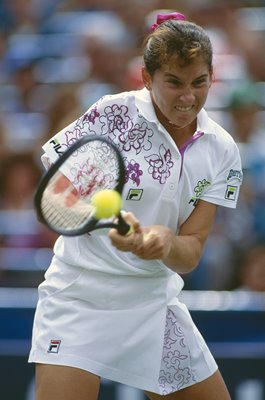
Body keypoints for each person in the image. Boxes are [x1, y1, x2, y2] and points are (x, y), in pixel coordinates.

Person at [28, 11, 243, 400]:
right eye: (174, 83)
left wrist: (164, 242)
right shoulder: (113, 115)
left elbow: (191, 250)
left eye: (199, 82)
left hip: (153, 305)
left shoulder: (222, 149)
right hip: (81, 299)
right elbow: (58, 199)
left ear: (213, 76)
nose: (188, 96)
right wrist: (99, 220)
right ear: (147, 78)